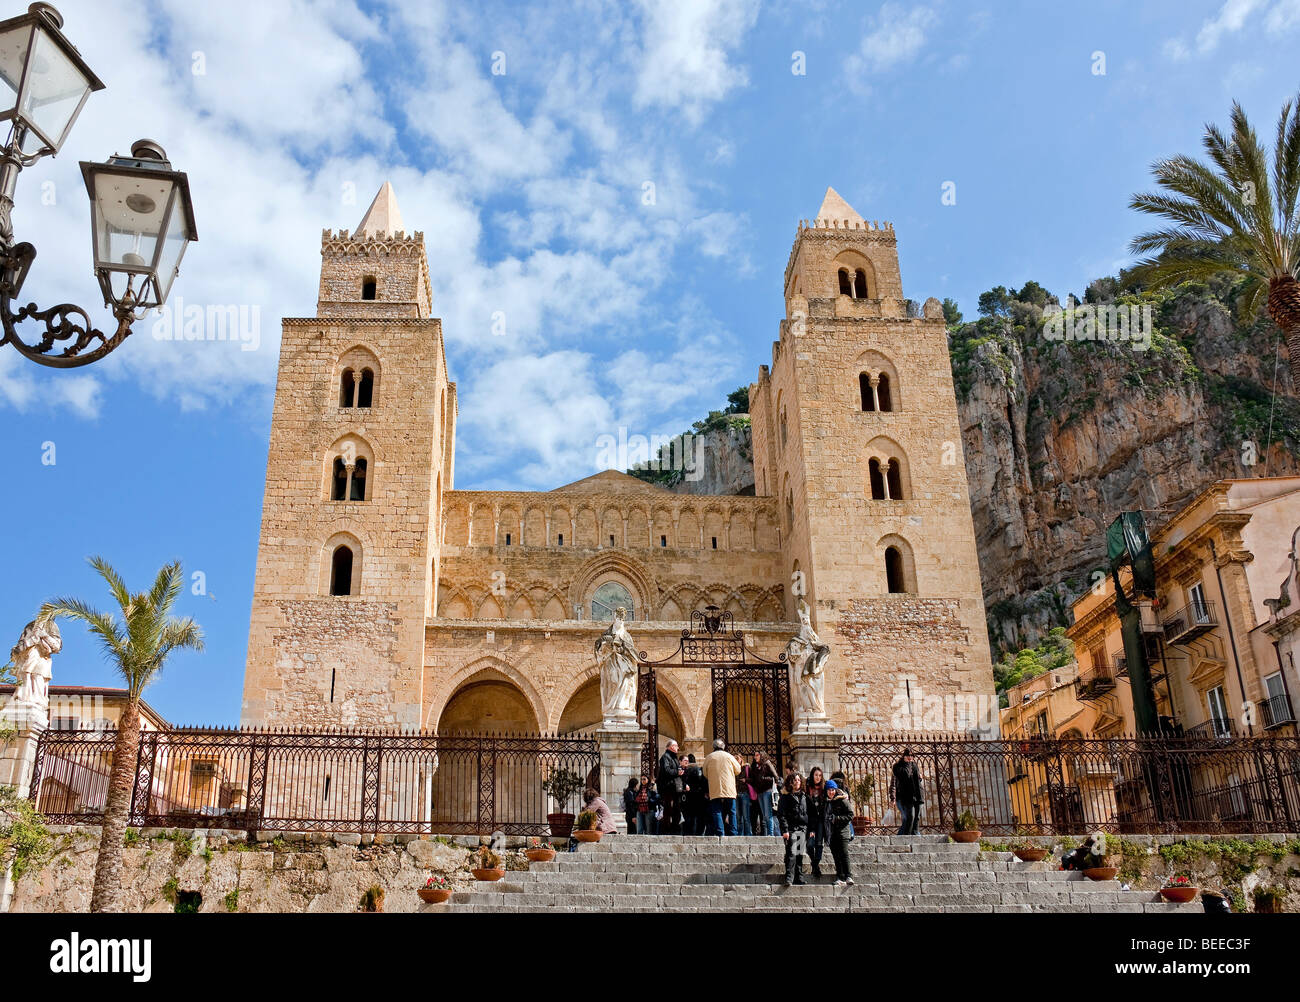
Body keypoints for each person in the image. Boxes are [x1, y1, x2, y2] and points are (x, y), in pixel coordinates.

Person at [777, 772, 809, 886]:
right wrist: (785, 830)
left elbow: (809, 812)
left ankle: (799, 877)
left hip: (802, 828)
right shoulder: (785, 797)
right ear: (790, 782)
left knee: (799, 853)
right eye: (794, 780)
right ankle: (789, 877)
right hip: (791, 828)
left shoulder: (804, 796)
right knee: (791, 853)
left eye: (799, 780)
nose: (797, 782)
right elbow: (781, 815)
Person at [704, 739, 742, 836]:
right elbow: (738, 770)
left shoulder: (709, 757)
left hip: (715, 788)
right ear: (723, 747)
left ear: (714, 747)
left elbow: (705, 773)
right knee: (732, 811)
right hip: (729, 788)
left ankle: (720, 832)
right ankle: (734, 833)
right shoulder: (729, 756)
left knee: (717, 811)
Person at [824, 779, 855, 886]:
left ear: (836, 790)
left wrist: (836, 818)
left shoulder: (842, 801)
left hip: (842, 832)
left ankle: (848, 875)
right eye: (829, 790)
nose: (831, 792)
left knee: (844, 854)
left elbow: (850, 815)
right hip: (832, 834)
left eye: (832, 790)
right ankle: (840, 876)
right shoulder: (826, 802)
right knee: (836, 856)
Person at [888, 747, 923, 836]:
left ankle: (912, 833)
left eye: (912, 756)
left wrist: (920, 778)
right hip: (903, 796)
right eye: (908, 755)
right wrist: (893, 798)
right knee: (908, 817)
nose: (910, 757)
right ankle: (905, 836)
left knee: (913, 817)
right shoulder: (898, 768)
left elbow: (916, 780)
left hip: (916, 795)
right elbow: (894, 784)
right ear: (904, 756)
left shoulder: (914, 766)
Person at [805, 765, 830, 878]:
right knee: (810, 845)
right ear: (812, 775)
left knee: (819, 844)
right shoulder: (807, 788)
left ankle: (815, 866)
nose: (818, 777)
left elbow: (835, 792)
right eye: (816, 775)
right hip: (810, 820)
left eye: (820, 775)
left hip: (821, 821)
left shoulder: (824, 788)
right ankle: (815, 865)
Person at [657, 740, 685, 835]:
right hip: (668, 787)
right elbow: (666, 770)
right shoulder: (665, 757)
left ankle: (675, 829)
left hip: (675, 788)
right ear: (671, 747)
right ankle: (667, 830)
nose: (678, 748)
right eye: (676, 746)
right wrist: (677, 772)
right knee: (668, 809)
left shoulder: (674, 758)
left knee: (676, 809)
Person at [750, 751, 780, 836]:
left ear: (761, 755)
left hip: (767, 791)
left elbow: (775, 777)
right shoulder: (755, 766)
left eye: (757, 755)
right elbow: (754, 779)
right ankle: (767, 834)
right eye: (754, 755)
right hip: (759, 792)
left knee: (768, 814)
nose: (755, 757)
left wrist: (764, 778)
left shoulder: (767, 763)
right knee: (764, 815)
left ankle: (770, 834)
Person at [683, 754, 709, 835]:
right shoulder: (700, 770)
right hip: (699, 796)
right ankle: (699, 833)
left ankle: (689, 833)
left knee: (689, 816)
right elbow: (704, 782)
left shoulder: (685, 771)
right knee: (699, 816)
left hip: (688, 796)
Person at [734, 761, 754, 836]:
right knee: (738, 816)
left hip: (745, 793)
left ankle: (748, 834)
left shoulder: (746, 768)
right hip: (736, 794)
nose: (736, 760)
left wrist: (746, 780)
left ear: (741, 760)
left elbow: (752, 779)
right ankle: (740, 835)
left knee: (746, 816)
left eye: (737, 759)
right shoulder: (734, 770)